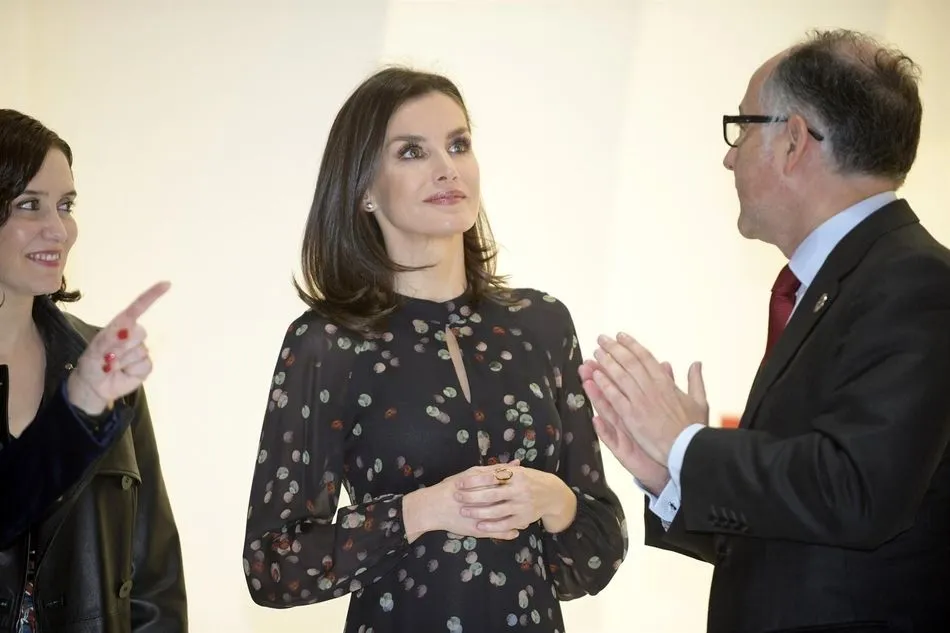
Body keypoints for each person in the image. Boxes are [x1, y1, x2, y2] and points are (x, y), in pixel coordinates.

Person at [580, 28, 950, 632]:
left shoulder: (917, 281)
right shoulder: (844, 278)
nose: (730, 156)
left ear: (794, 141)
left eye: (743, 127)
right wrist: (672, 475)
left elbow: (856, 491)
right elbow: (797, 527)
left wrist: (686, 444)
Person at [242, 67, 627, 632]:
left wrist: (553, 499)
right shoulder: (327, 344)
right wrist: (419, 511)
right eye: (412, 151)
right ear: (364, 190)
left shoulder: (542, 323)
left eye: (458, 144)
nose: (447, 168)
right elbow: (272, 567)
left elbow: (593, 557)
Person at [0, 109, 187, 633]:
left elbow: (153, 575)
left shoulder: (98, 362)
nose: (58, 229)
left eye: (65, 205)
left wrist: (87, 392)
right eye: (30, 205)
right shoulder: (91, 381)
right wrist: (77, 408)